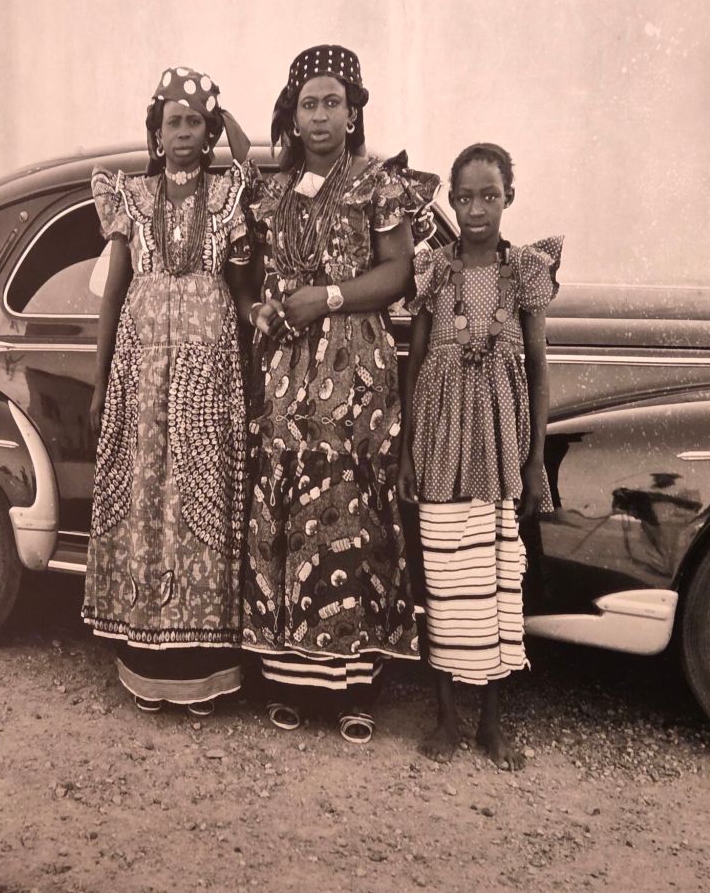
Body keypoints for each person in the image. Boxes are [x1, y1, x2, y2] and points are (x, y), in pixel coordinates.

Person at [235, 44, 439, 743]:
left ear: (353, 114)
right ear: (292, 115)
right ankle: (290, 680)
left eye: (332, 103)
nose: (320, 116)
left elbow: (399, 273)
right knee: (288, 506)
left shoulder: (379, 182)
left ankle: (353, 687)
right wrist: (266, 308)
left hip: (355, 373)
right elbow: (257, 278)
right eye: (308, 103)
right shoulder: (273, 189)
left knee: (350, 511)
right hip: (285, 376)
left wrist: (325, 298)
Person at [82, 67, 255, 715]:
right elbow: (115, 293)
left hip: (210, 371)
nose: (183, 132)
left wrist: (222, 109)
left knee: (203, 499)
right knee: (147, 501)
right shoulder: (129, 195)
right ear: (156, 133)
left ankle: (204, 675)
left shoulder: (229, 193)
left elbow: (243, 287)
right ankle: (147, 669)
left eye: (194, 122)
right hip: (143, 372)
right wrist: (101, 380)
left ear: (209, 133)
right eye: (172, 121)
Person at [398, 143, 562, 768]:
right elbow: (415, 361)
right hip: (440, 442)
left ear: (508, 198)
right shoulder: (432, 269)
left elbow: (538, 368)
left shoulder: (526, 270)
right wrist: (408, 452)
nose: (475, 210)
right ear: (452, 200)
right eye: (464, 197)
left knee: (496, 579)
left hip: (500, 446)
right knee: (444, 575)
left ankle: (492, 722)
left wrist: (534, 460)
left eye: (488, 196)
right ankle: (446, 717)